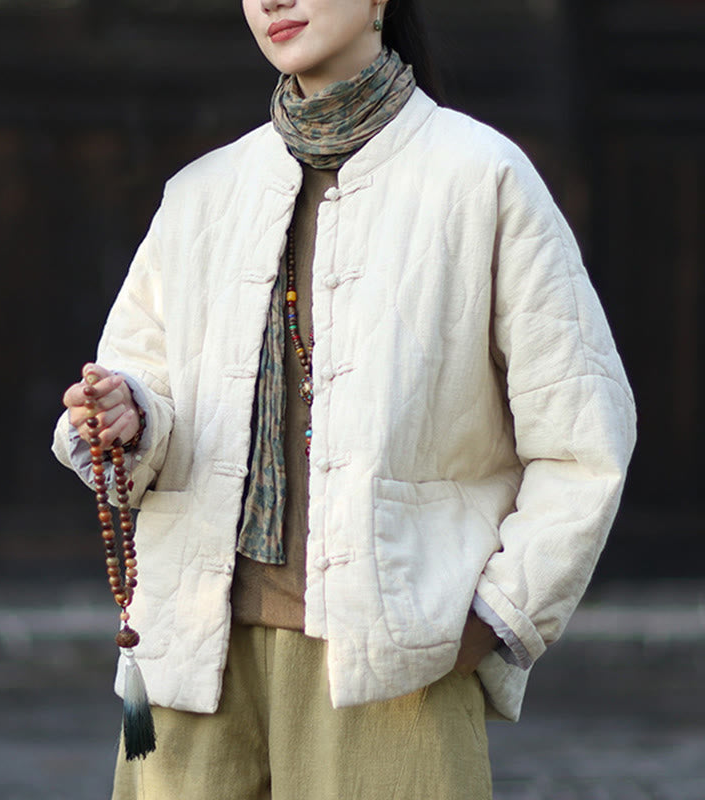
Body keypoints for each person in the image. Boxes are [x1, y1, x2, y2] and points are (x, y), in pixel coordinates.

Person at [53, 1, 636, 797]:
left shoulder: (480, 177)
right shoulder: (202, 194)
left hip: (393, 669)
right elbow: (137, 385)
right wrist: (128, 415)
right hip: (191, 659)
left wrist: (495, 620)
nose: (274, 2)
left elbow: (583, 435)